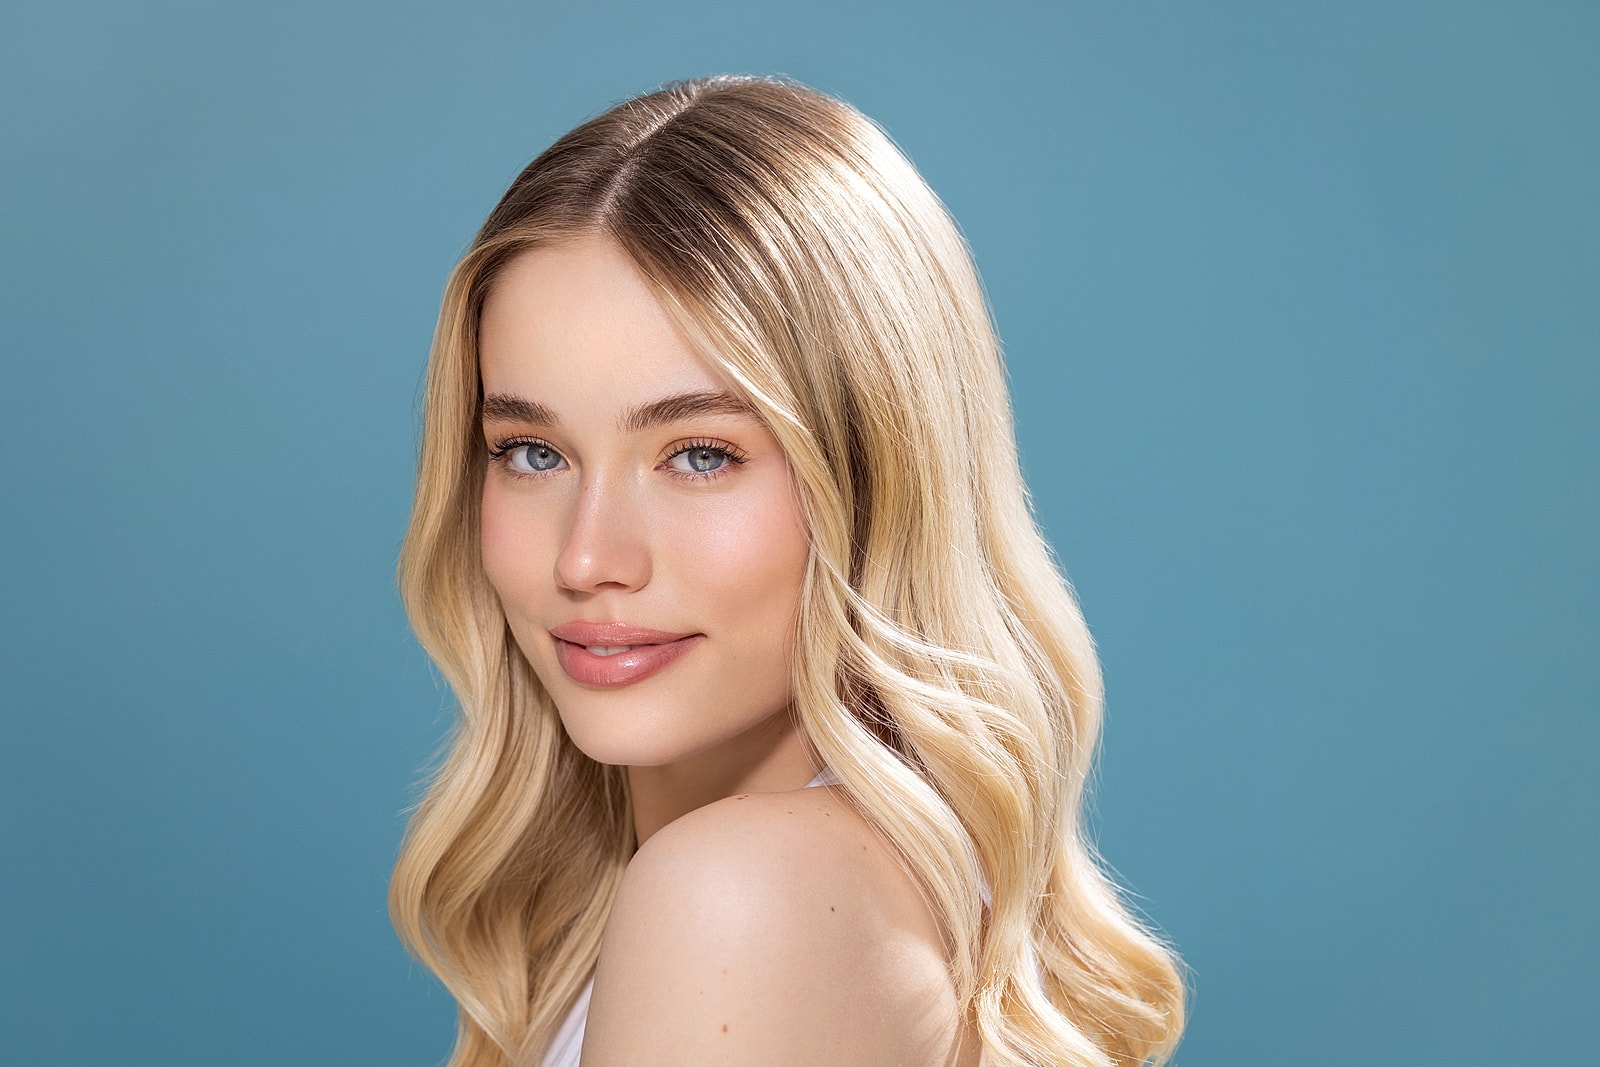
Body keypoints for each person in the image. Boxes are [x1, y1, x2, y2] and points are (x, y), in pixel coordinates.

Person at [390, 74, 1186, 1067]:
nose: (586, 556)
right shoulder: (877, 888)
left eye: (700, 454)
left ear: (876, 477)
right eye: (531, 452)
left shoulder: (737, 895)